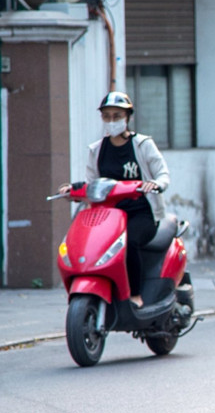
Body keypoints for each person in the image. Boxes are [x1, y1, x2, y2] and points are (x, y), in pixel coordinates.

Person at [61, 91, 170, 308]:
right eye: (107, 116)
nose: (112, 121)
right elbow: (91, 184)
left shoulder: (143, 145)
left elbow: (163, 174)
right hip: (107, 216)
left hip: (140, 213)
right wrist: (72, 191)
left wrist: (156, 184)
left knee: (129, 243)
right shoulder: (97, 150)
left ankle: (136, 295)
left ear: (128, 117)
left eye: (117, 116)